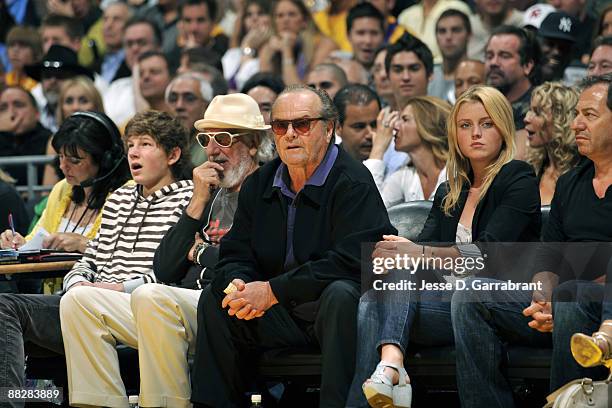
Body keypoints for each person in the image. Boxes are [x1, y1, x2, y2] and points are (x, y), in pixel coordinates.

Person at [60, 94, 272, 408]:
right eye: (207, 139)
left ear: (253, 144)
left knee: (151, 296)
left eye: (224, 138)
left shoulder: (267, 189)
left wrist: (200, 254)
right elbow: (166, 264)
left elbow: (249, 262)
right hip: (185, 300)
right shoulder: (208, 192)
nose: (212, 150)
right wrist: (197, 202)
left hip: (229, 306)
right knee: (78, 301)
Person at [191, 85, 395, 408]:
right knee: (218, 296)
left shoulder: (352, 182)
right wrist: (240, 284)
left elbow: (350, 260)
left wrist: (272, 291)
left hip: (332, 313)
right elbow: (235, 252)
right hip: (278, 312)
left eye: (301, 125)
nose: (289, 135)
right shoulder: (260, 183)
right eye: (280, 126)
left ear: (328, 130)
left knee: (340, 293)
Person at [349, 85, 541, 408]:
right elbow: (424, 253)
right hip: (451, 302)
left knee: (416, 286)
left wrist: (418, 253)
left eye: (486, 123)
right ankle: (388, 370)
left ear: (504, 128)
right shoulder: (451, 190)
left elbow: (486, 255)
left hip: (502, 301)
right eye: (465, 125)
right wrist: (400, 252)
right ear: (455, 134)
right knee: (373, 298)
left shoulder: (517, 178)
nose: (475, 134)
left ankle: (390, 372)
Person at [450, 74, 612, 408]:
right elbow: (548, 257)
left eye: (590, 115)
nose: (577, 124)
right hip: (566, 299)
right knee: (470, 295)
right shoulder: (570, 183)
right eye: (576, 114)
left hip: (598, 297)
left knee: (573, 292)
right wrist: (542, 299)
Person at [0, 111, 133, 397]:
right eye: (60, 157)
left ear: (105, 160)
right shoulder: (63, 190)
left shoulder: (125, 194)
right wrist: (17, 243)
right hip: (52, 297)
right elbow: (39, 239)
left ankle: (10, 401)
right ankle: (17, 396)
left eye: (74, 160)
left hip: (97, 301)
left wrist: (84, 244)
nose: (63, 167)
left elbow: (126, 254)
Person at [365, 96, 450, 207]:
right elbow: (369, 207)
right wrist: (378, 149)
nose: (395, 126)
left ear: (428, 124)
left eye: (405, 119)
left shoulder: (457, 173)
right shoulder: (405, 175)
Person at [42, 76, 105, 186]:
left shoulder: (109, 136)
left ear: (96, 106)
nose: (75, 107)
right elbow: (47, 190)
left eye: (83, 100)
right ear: (61, 108)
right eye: (69, 101)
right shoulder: (54, 142)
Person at [524, 82, 580, 205]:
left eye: (537, 112)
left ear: (561, 119)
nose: (526, 118)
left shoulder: (584, 172)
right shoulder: (534, 167)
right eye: (530, 110)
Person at [0, 86, 51, 186]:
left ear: (36, 113)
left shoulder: (49, 141)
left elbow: (18, 176)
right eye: (3, 108)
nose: (11, 113)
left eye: (19, 105)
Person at [397, 0, 472, 64]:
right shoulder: (406, 15)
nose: (449, 36)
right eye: (442, 31)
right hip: (413, 72)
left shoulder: (457, 6)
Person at [165, 71, 214, 166]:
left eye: (189, 98)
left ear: (206, 106)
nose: (179, 106)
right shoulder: (162, 144)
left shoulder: (214, 146)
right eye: (173, 99)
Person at [429, 9, 471, 101]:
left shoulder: (479, 74)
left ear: (469, 35)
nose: (448, 37)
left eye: (456, 30)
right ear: (436, 37)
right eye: (442, 31)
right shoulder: (427, 75)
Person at [386, 34, 433, 111]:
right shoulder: (376, 119)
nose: (406, 77)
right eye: (398, 70)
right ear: (388, 76)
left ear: (430, 74)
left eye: (414, 69)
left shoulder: (447, 119)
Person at [4, 26, 42, 91]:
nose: (15, 50)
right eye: (12, 45)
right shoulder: (3, 81)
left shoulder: (40, 87)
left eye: (23, 46)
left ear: (36, 53)